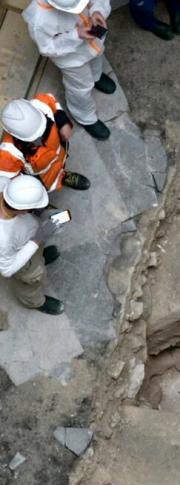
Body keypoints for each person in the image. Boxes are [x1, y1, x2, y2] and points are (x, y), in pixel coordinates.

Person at [22, 0, 114, 141]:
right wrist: (75, 35)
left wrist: (98, 11)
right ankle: (84, 116)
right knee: (80, 87)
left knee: (97, 57)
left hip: (93, 42)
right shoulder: (39, 20)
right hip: (71, 59)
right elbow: (47, 48)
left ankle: (96, 77)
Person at [0, 175, 64, 315]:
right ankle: (33, 301)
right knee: (32, 277)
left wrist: (39, 212)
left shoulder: (4, 183)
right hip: (19, 254)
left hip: (30, 240)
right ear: (22, 209)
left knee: (37, 257)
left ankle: (39, 259)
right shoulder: (3, 237)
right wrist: (37, 239)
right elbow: (7, 269)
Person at [0, 95, 90, 192]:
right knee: (45, 187)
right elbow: (8, 178)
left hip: (59, 155)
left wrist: (63, 122)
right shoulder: (7, 154)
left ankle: (64, 176)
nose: (40, 135)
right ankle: (46, 193)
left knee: (60, 164)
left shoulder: (41, 104)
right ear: (12, 133)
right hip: (43, 179)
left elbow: (52, 101)